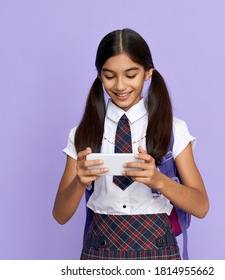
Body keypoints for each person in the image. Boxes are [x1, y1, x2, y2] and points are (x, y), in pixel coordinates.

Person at [52, 28, 209, 260]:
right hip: (100, 252)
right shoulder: (83, 133)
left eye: (131, 74)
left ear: (147, 73)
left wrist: (158, 181)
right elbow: (60, 215)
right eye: (109, 75)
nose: (120, 85)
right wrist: (79, 182)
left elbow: (201, 206)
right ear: (99, 75)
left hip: (159, 251)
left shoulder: (173, 129)